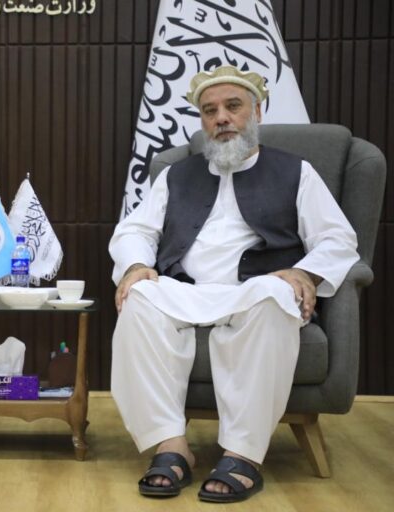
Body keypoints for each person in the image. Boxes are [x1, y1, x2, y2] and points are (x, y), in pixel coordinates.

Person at [109, 65, 358, 503]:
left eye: (233, 106)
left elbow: (338, 238)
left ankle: (242, 454)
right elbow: (136, 230)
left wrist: (304, 273)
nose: (221, 118)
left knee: (278, 296)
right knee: (139, 296)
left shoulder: (296, 172)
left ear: (256, 112)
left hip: (256, 291)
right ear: (202, 121)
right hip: (185, 290)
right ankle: (170, 445)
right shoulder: (176, 175)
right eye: (210, 111)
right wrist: (136, 265)